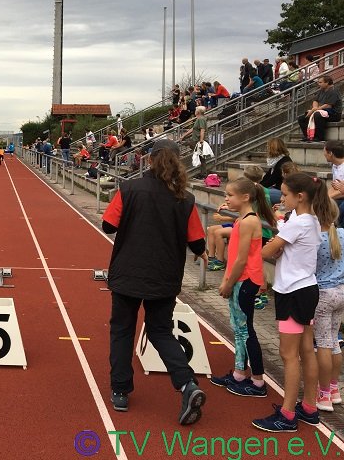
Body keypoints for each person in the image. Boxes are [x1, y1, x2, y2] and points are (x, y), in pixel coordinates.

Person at [102, 138, 207, 424]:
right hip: (164, 275)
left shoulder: (129, 189)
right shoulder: (185, 199)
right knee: (160, 332)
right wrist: (202, 253)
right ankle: (187, 384)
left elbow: (108, 225)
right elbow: (197, 241)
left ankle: (121, 391)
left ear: (149, 160)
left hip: (128, 273)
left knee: (122, 330)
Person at [252, 173, 325, 432]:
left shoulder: (299, 222)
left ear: (300, 196)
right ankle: (309, 406)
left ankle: (287, 414)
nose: (281, 199)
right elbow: (283, 244)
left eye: (285, 195)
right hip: (305, 289)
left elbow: (267, 250)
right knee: (306, 350)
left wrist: (267, 245)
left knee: (288, 355)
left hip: (293, 291)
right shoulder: (310, 220)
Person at [210, 178, 275, 397]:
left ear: (245, 197)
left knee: (246, 331)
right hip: (240, 279)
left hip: (245, 281)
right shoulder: (242, 219)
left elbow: (241, 259)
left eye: (230, 195)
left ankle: (257, 381)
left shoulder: (248, 221)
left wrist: (228, 282)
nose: (226, 198)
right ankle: (239, 373)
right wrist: (227, 279)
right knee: (239, 329)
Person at [312, 199, 344, 412]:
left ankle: (323, 394)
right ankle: (334, 388)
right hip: (341, 291)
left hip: (323, 293)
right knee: (334, 340)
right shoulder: (341, 234)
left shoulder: (315, 239)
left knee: (322, 343)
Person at [298, 76, 342, 142]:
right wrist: (314, 108)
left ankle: (319, 137)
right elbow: (315, 100)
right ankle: (308, 136)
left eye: (320, 82)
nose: (318, 84)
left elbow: (328, 105)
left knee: (317, 115)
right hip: (321, 111)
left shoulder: (333, 91)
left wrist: (314, 110)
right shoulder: (321, 90)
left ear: (327, 83)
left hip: (334, 113)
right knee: (302, 118)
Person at [261, 138, 293, 205]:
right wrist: (258, 185)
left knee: (258, 194)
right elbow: (267, 177)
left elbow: (272, 180)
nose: (267, 148)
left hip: (282, 192)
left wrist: (258, 187)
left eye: (268, 146)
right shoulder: (277, 160)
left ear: (273, 148)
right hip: (276, 188)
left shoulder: (284, 162)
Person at [182, 106, 208, 178]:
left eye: (196, 110)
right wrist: (184, 135)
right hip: (195, 139)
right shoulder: (198, 119)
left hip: (198, 140)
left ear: (198, 112)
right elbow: (193, 129)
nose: (194, 111)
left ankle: (203, 174)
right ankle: (203, 174)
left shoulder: (201, 119)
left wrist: (201, 141)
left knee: (201, 157)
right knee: (201, 158)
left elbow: (202, 130)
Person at [325, 141, 344, 225]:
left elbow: (342, 191)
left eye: (325, 152)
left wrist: (326, 198)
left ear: (330, 153)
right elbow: (335, 186)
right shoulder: (334, 165)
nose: (324, 154)